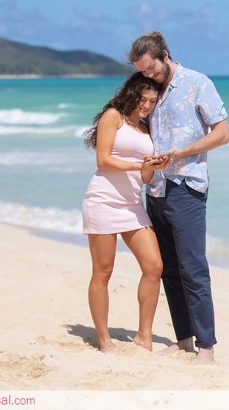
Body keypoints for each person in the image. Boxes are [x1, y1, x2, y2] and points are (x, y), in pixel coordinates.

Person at [129, 31, 229, 364]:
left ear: (166, 55)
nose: (148, 77)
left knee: (193, 268)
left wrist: (182, 152)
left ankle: (207, 346)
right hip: (155, 189)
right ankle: (183, 339)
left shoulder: (198, 83)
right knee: (169, 269)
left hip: (187, 187)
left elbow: (222, 133)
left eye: (151, 70)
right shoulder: (151, 90)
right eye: (143, 72)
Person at [81, 72, 166, 353]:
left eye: (153, 101)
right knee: (103, 272)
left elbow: (143, 178)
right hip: (103, 200)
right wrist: (135, 164)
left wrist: (151, 166)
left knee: (154, 266)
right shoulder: (113, 116)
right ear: (132, 94)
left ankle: (144, 335)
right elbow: (103, 160)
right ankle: (104, 339)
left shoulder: (146, 128)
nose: (147, 105)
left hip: (132, 204)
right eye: (143, 99)